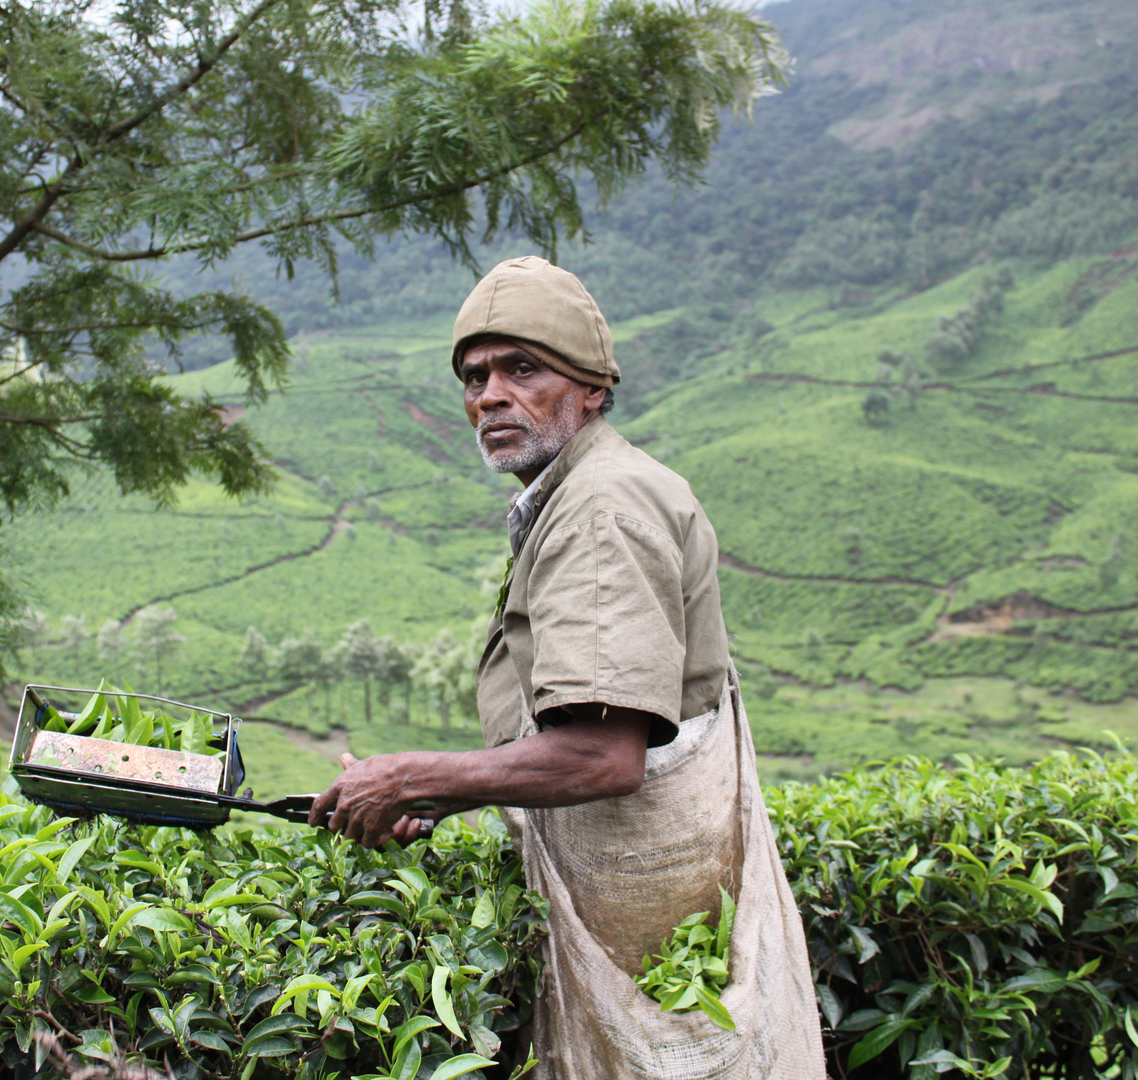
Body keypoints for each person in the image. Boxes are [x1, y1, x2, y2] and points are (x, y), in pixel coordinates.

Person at [311, 256, 823, 1080]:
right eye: (474, 377)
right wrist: (441, 791)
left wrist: (410, 776)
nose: (490, 396)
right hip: (651, 921)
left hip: (644, 922)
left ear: (589, 387)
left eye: (523, 369)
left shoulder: (600, 510)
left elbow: (602, 755)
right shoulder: (581, 493)